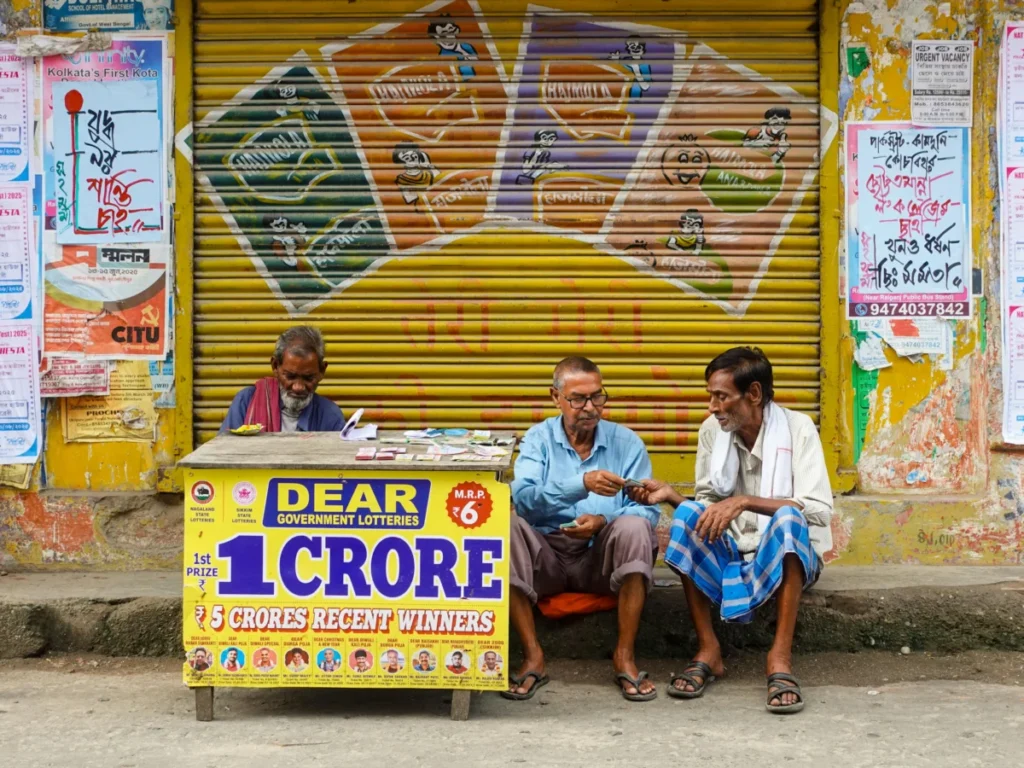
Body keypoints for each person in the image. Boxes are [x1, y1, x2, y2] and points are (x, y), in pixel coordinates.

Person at [629, 347, 832, 714]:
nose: (712, 406)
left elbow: (816, 510)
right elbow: (707, 505)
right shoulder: (712, 430)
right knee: (689, 515)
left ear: (753, 394)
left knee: (789, 519)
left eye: (721, 397)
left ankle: (780, 658)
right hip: (733, 552)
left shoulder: (799, 428)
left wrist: (745, 501)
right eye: (710, 396)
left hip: (787, 556)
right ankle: (709, 649)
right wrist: (673, 496)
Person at [504, 357, 661, 702]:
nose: (590, 408)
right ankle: (533, 655)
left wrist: (603, 522)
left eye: (597, 397)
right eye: (578, 399)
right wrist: (581, 485)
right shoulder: (537, 440)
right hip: (547, 556)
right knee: (507, 525)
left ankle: (625, 656)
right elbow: (525, 499)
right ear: (555, 397)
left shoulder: (627, 443)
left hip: (600, 559)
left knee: (635, 525)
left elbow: (648, 507)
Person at [220, 326, 345, 434]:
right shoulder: (246, 402)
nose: (298, 387)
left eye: (308, 378)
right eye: (290, 376)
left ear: (322, 371)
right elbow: (222, 453)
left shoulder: (330, 415)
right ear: (275, 366)